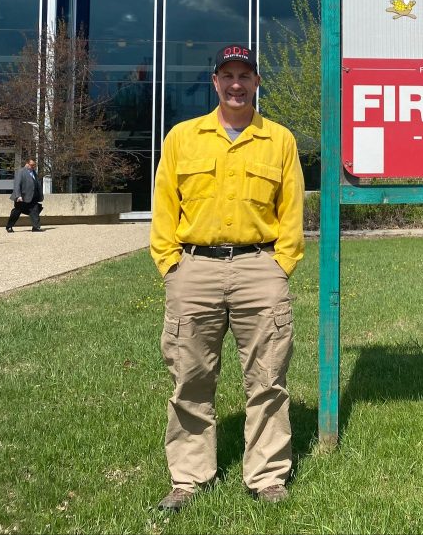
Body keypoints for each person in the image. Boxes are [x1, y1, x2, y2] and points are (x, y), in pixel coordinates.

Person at [150, 44, 304, 512]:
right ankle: (189, 478)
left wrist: (282, 263)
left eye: (245, 75)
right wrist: (170, 263)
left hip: (261, 268)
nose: (236, 84)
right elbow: (164, 203)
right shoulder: (182, 137)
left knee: (268, 377)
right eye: (227, 75)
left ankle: (267, 476)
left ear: (257, 82)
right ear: (214, 82)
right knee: (190, 377)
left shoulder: (279, 139)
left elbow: (292, 208)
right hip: (193, 268)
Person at [5, 158, 44, 232]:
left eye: (34, 165)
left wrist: (40, 195)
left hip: (33, 197)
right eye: (32, 165)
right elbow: (17, 185)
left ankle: (36, 227)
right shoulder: (21, 172)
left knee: (35, 211)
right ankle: (9, 226)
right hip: (22, 197)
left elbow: (37, 184)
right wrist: (18, 196)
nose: (33, 167)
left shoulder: (34, 173)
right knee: (16, 211)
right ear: (27, 164)